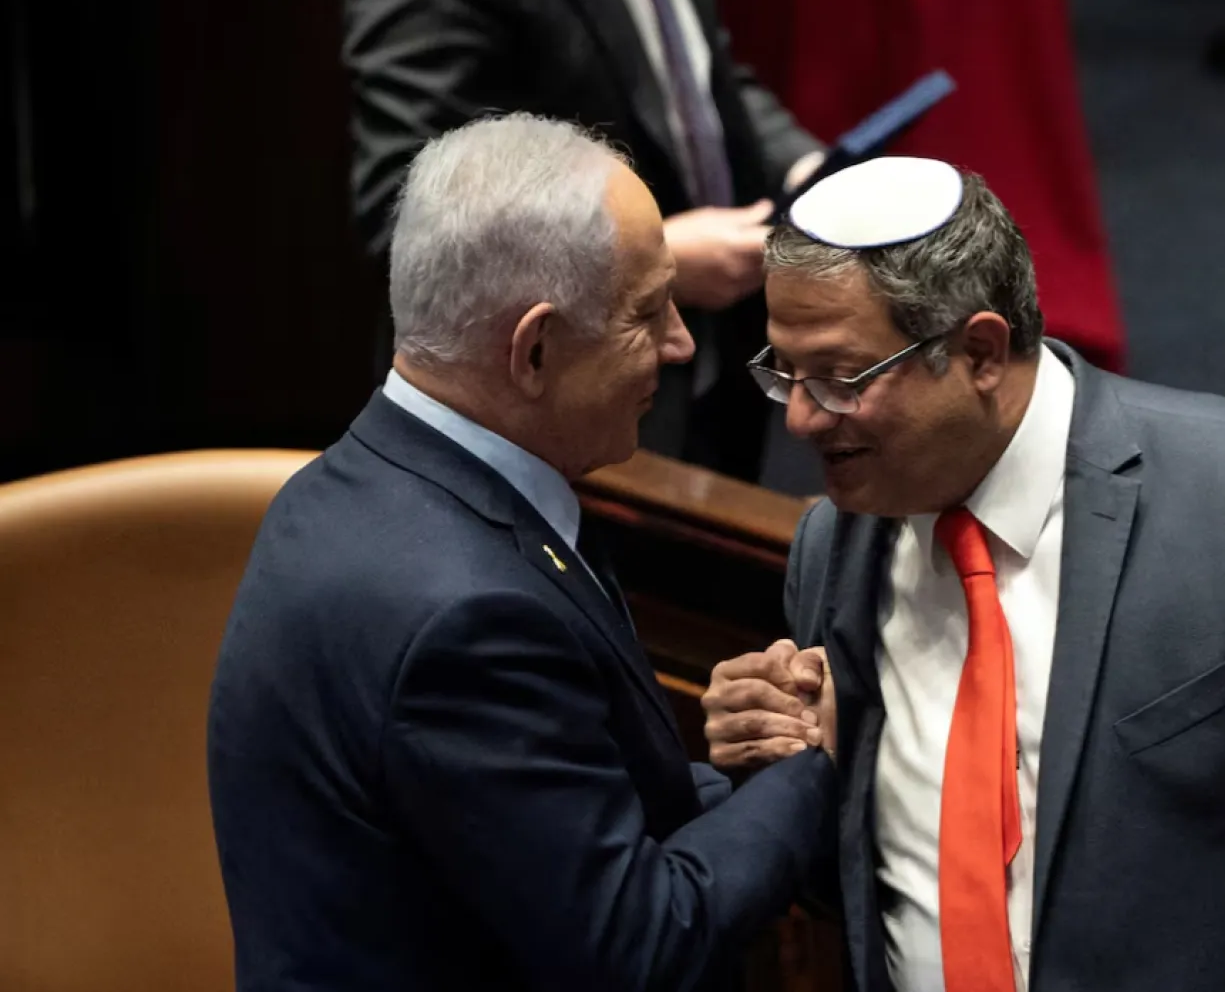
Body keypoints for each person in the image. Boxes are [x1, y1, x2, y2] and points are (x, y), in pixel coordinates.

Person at [701, 157, 1225, 992]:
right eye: (782, 371)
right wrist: (776, 774)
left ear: (980, 352)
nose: (800, 417)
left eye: (839, 377)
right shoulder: (834, 543)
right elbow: (873, 885)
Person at [208, 114, 836, 992]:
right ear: (535, 350)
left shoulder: (347, 489)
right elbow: (642, 946)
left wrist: (754, 776)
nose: (681, 345)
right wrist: (823, 762)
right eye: (648, 313)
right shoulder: (463, 618)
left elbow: (552, 822)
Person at [342, 0, 825, 482]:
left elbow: (702, 83)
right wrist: (656, 262)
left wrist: (806, 169)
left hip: (715, 390)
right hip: (545, 432)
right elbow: (408, 216)